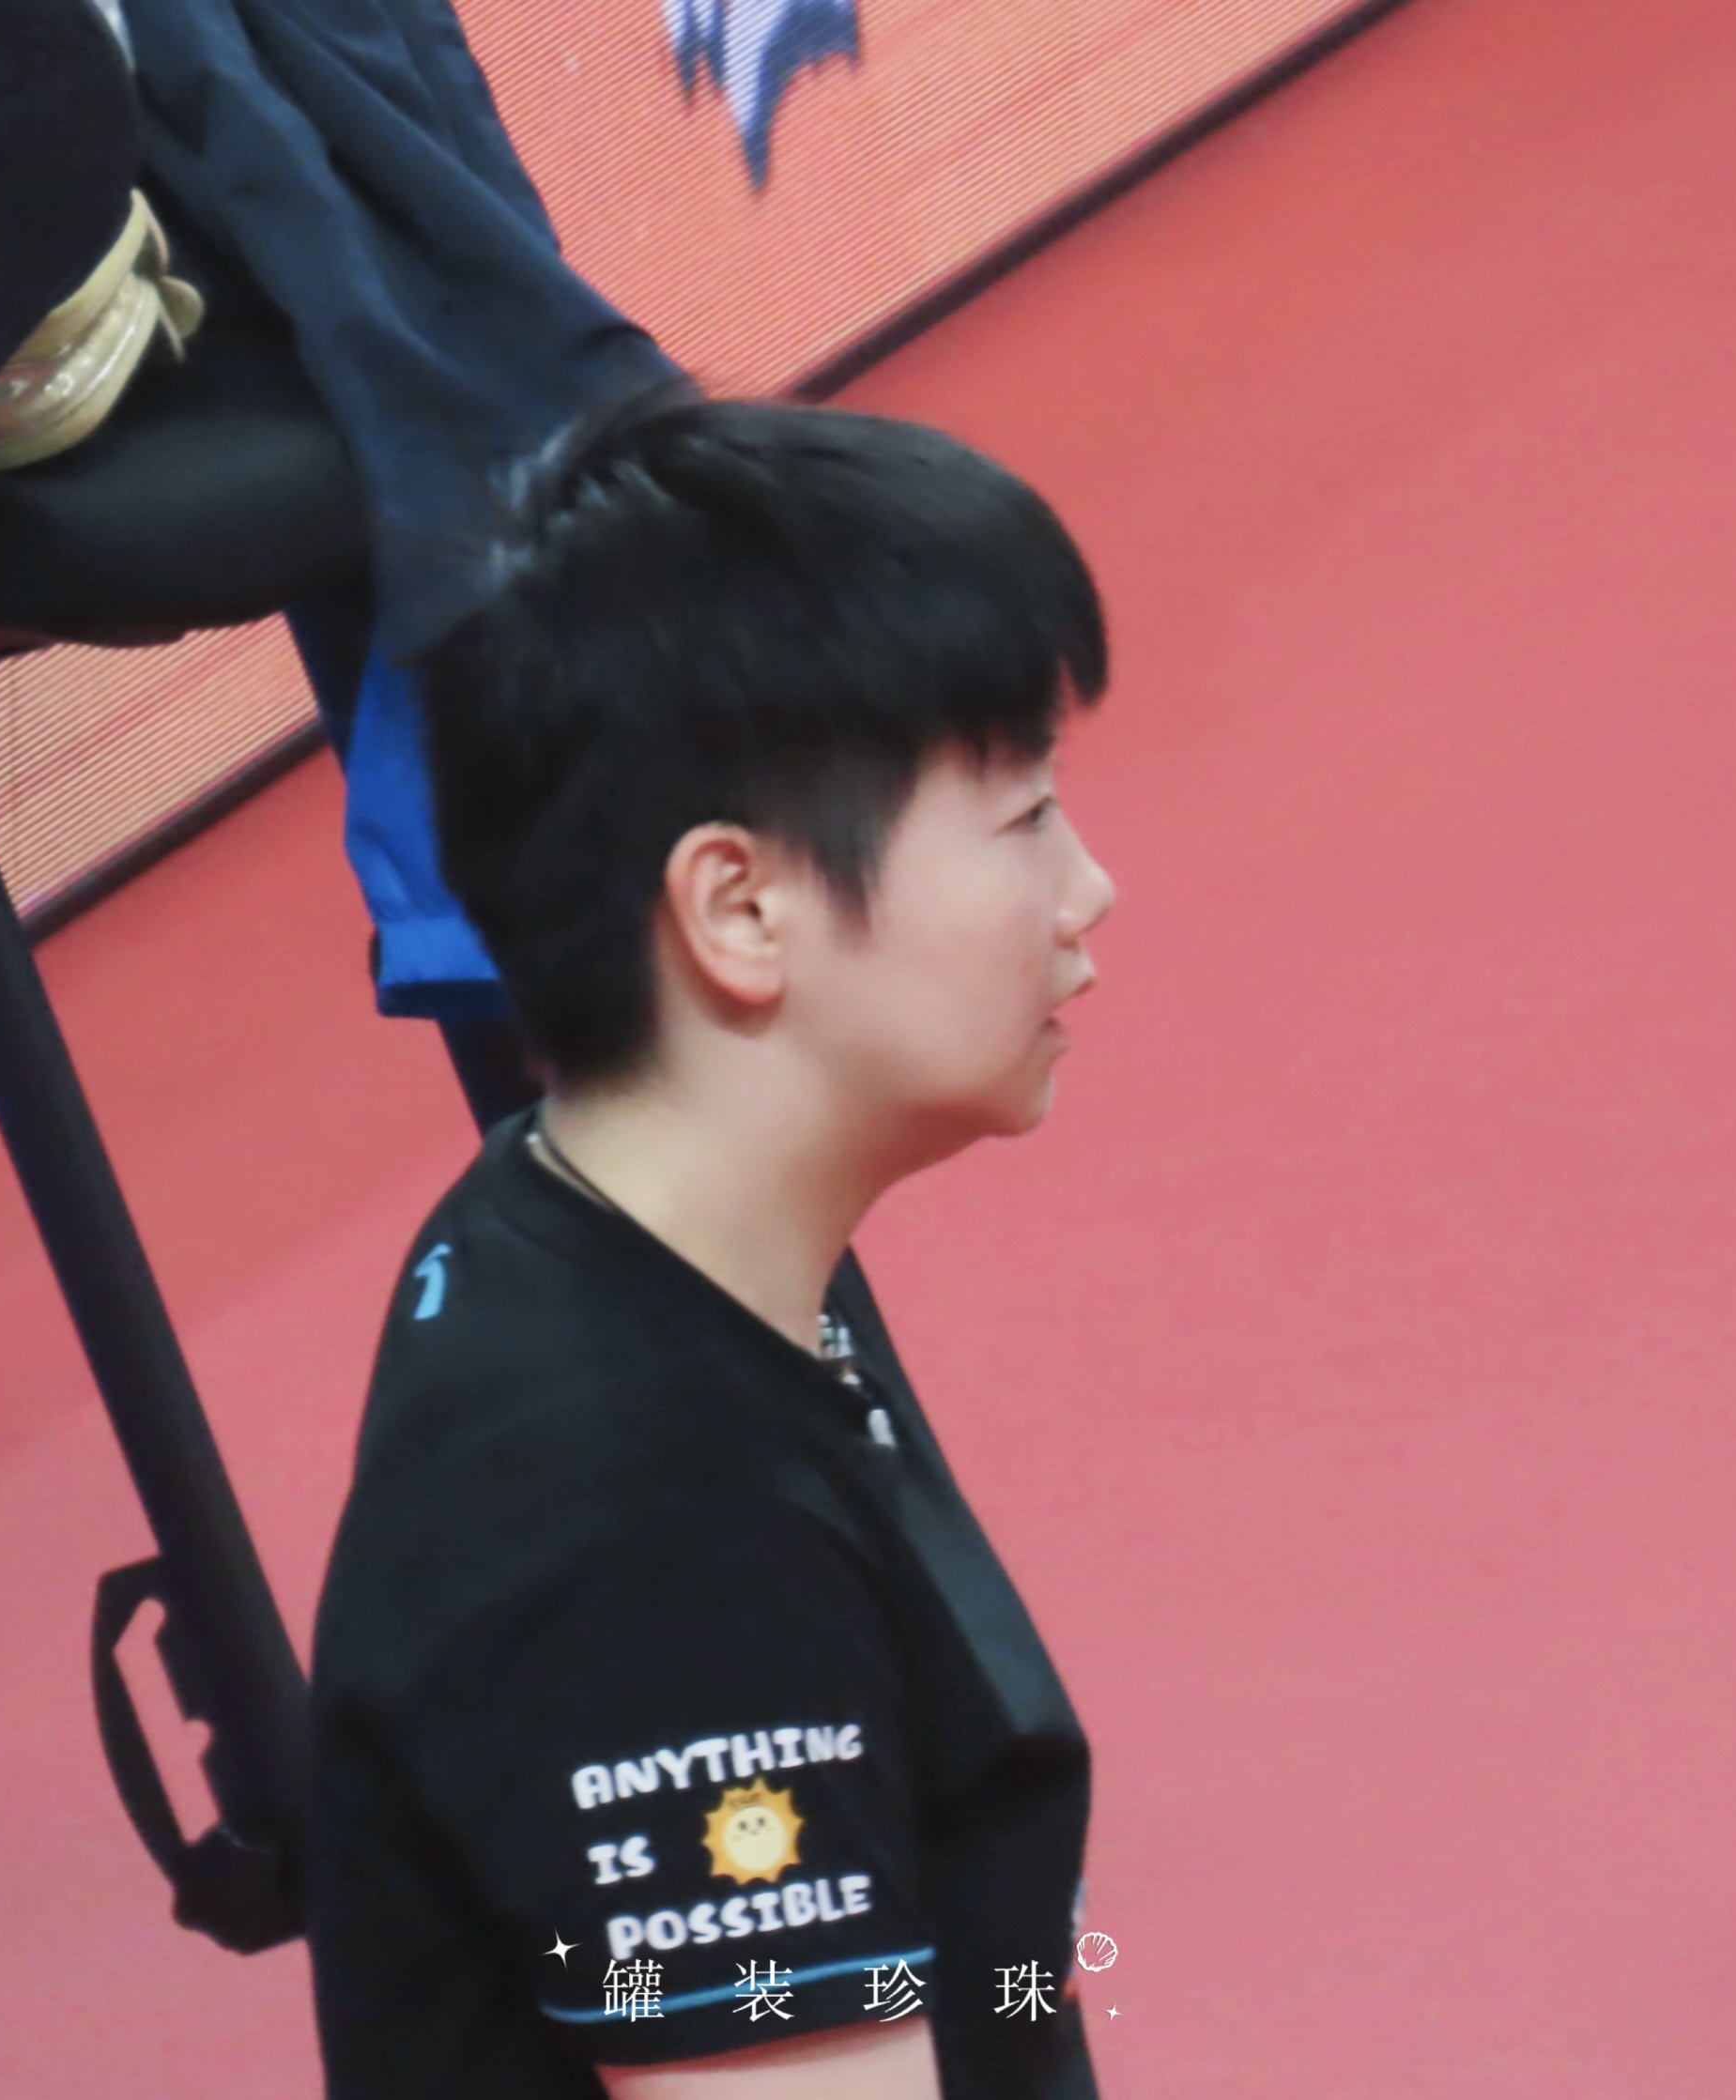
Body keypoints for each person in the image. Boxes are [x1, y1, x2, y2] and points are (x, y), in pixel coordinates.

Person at [300, 382, 1119, 2099]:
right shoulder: (641, 1513)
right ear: (739, 908)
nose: (1086, 888)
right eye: (1023, 815)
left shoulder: (634, 1223)